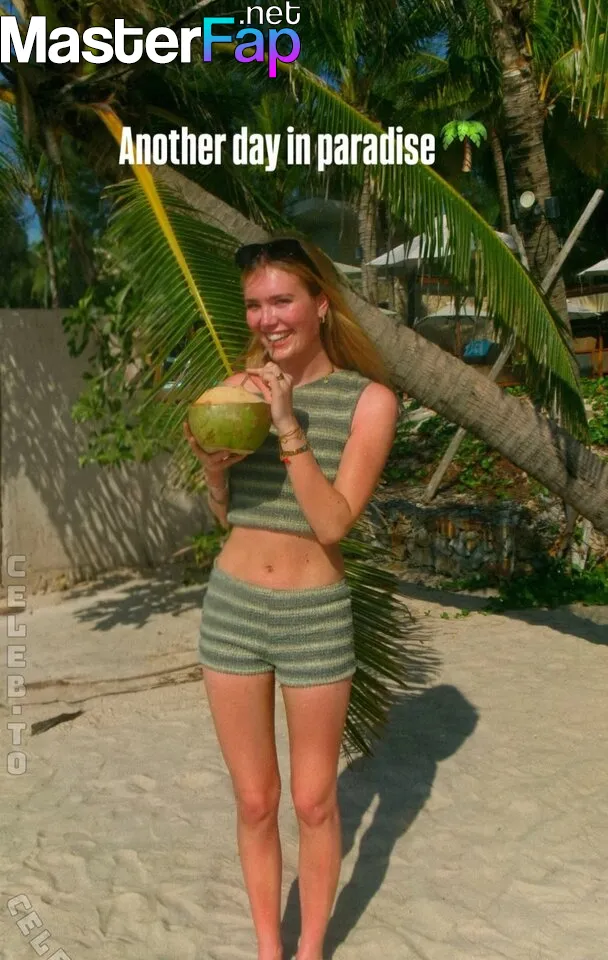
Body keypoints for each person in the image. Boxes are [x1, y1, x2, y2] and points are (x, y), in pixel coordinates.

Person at [183, 236, 399, 960]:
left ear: (320, 304)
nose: (267, 319)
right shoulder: (235, 391)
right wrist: (216, 474)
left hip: (314, 617)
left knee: (313, 799)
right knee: (254, 801)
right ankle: (268, 951)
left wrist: (286, 423)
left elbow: (333, 523)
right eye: (254, 305)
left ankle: (309, 952)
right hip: (233, 610)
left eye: (281, 300)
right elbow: (229, 515)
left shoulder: (370, 402)